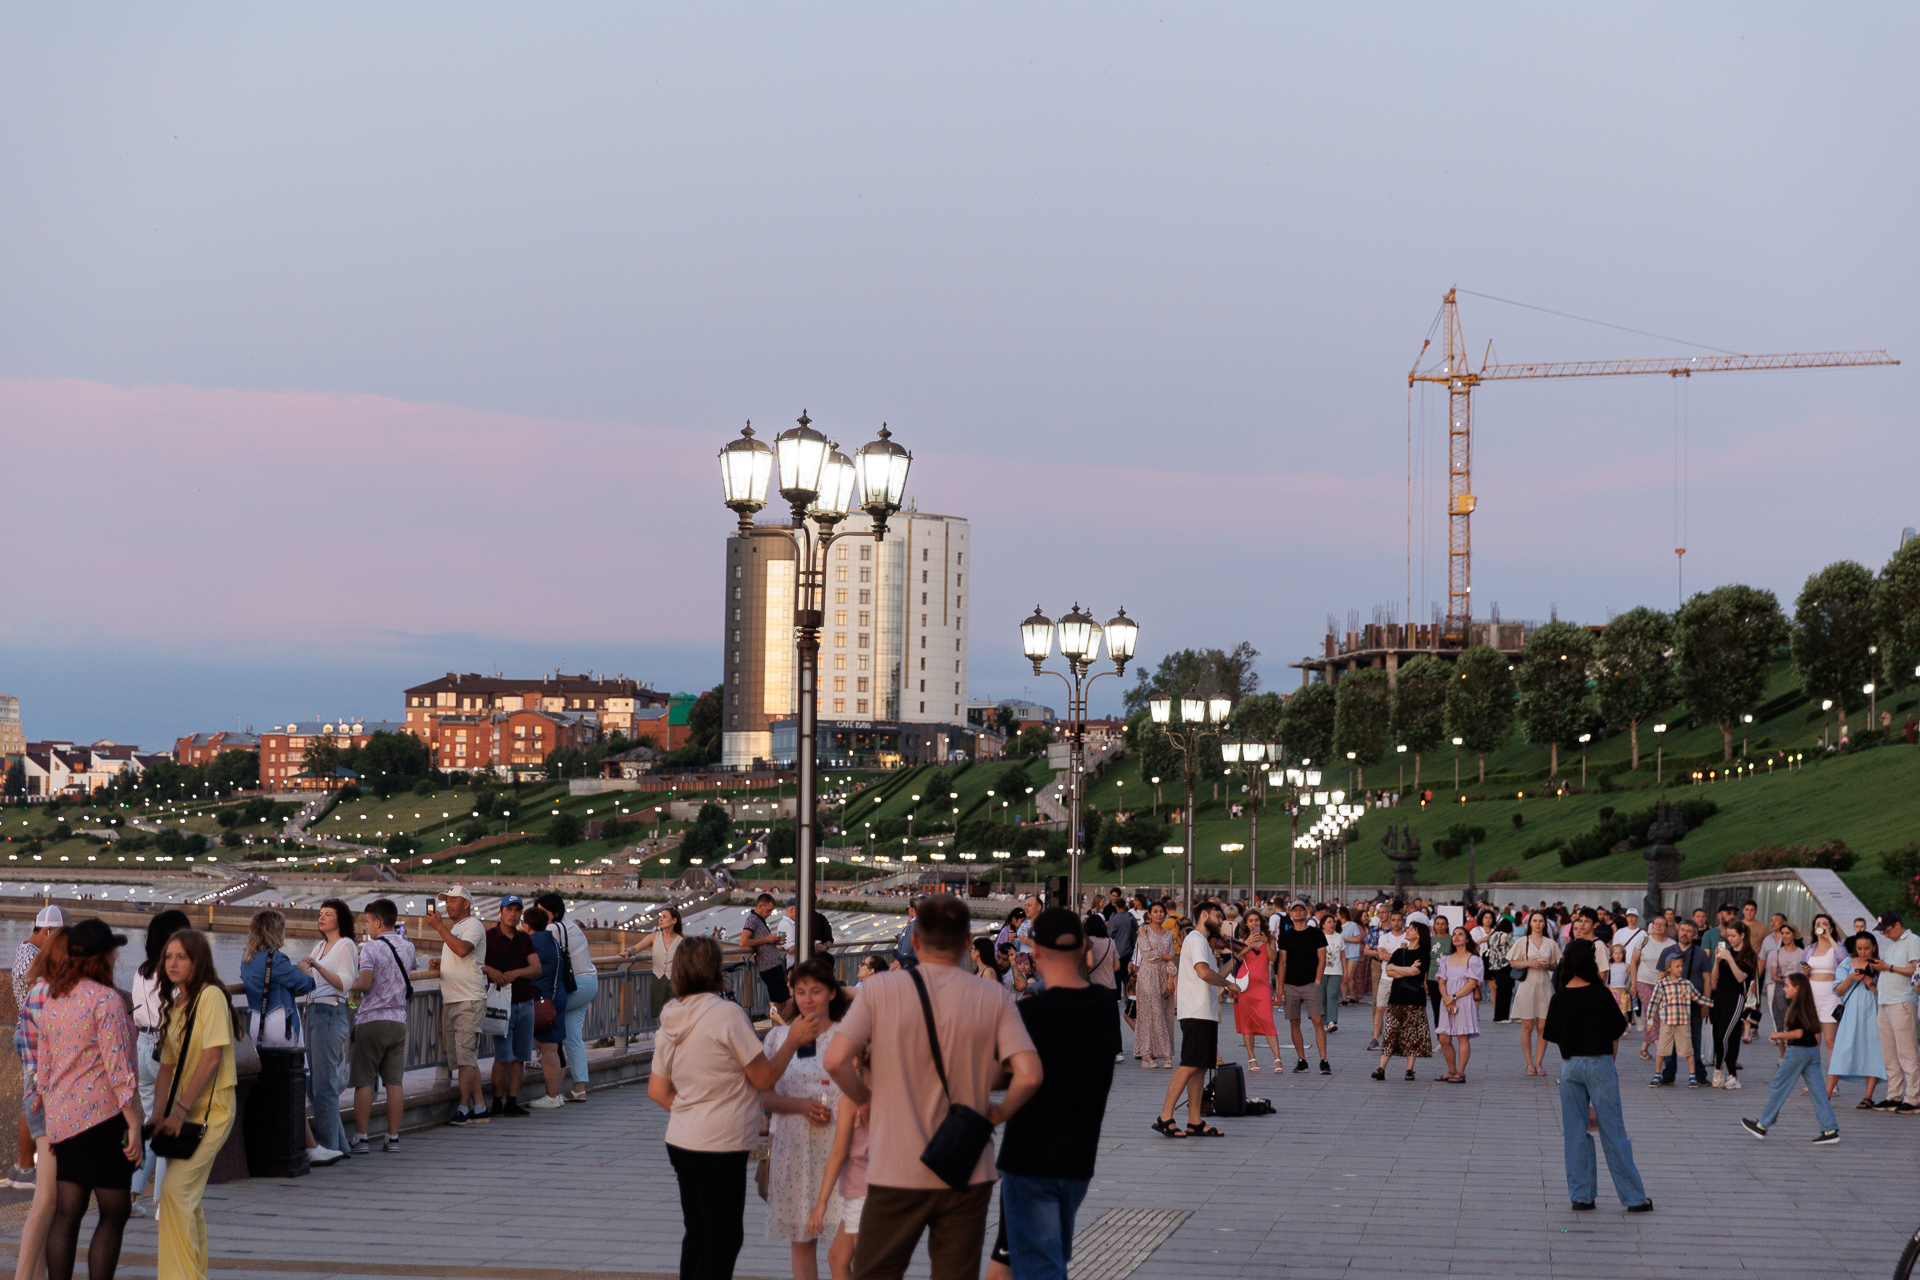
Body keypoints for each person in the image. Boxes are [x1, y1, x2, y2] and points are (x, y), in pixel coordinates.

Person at [824, 894, 1040, 1280]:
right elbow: (1029, 1073)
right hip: (967, 1168)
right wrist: (998, 1111)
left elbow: (836, 1061)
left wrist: (865, 1099)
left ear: (916, 942)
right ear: (964, 944)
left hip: (894, 1168)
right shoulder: (993, 995)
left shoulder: (879, 991)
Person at [650, 936, 827, 1280]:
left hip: (682, 1139)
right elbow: (763, 1077)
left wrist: (691, 1111)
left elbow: (657, 1090)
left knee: (698, 1232)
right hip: (721, 1143)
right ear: (714, 968)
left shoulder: (671, 1015)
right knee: (724, 1238)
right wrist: (792, 1039)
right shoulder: (727, 1014)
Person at [987, 908, 1120, 1280]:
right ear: (1082, 948)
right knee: (1045, 1261)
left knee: (1040, 1270)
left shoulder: (1031, 1014)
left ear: (1036, 952)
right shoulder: (1104, 1008)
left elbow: (1009, 1075)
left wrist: (998, 1111)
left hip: (1031, 1159)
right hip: (1078, 1160)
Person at [32, 919, 141, 1280]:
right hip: (102, 1120)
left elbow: (43, 1067)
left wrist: (50, 1114)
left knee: (67, 1213)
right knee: (114, 1212)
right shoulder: (106, 1001)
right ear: (105, 956)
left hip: (63, 1119)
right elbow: (118, 1068)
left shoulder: (54, 1000)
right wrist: (134, 1122)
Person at [153, 928, 239, 1280]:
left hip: (211, 1112)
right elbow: (166, 1069)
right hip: (184, 1115)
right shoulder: (177, 1004)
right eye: (168, 957)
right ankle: (193, 1272)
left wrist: (178, 1111)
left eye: (181, 957)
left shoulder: (212, 997)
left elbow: (212, 1057)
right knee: (188, 1198)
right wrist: (157, 1116)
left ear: (197, 960)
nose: (172, 963)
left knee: (174, 1192)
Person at [1542, 939, 1652, 1213]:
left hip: (1569, 1067)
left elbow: (1555, 1038)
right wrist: (1606, 1067)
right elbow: (1616, 1033)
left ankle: (1581, 1195)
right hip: (1600, 1063)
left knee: (1575, 1132)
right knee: (1613, 1131)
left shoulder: (1559, 997)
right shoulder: (1601, 994)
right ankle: (1634, 1198)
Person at [762, 958, 849, 1280]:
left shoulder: (848, 1036)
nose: (808, 998)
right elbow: (763, 1095)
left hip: (841, 1146)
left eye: (816, 990)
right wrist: (799, 1105)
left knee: (845, 1243)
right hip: (794, 1145)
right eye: (801, 991)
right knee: (801, 1240)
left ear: (831, 992)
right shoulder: (777, 1039)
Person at [240, 909, 339, 1164]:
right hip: (279, 1023)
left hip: (256, 1025)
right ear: (275, 932)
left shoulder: (247, 959)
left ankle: (289, 1142)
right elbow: (306, 985)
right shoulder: (277, 959)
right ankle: (309, 1147)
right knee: (292, 1083)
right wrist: (304, 970)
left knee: (270, 1082)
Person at [1152, 899, 1235, 1138]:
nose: (1221, 921)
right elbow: (1203, 972)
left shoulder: (1204, 943)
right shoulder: (1196, 940)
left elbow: (1215, 973)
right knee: (1189, 1064)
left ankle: (1194, 1120)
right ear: (1205, 915)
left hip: (1205, 1011)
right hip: (1196, 1011)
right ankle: (1165, 1116)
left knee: (1199, 1066)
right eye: (1218, 917)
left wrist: (1239, 957)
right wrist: (1229, 984)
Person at [128, 908, 189, 1214]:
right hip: (165, 1048)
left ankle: (132, 1193)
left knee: (152, 1121)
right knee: (168, 1127)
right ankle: (164, 1201)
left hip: (141, 1044)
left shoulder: (141, 970)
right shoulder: (175, 974)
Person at [349, 898, 415, 1152]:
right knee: (394, 1082)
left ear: (377, 921)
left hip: (372, 1019)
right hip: (398, 1021)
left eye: (368, 922)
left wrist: (350, 984)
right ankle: (393, 1137)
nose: (367, 928)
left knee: (364, 1080)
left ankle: (362, 1138)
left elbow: (364, 983)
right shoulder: (408, 947)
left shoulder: (370, 948)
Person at [1741, 973, 1840, 1144]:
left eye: (1787, 986)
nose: (1784, 988)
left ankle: (1762, 1125)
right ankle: (1829, 1129)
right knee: (1818, 1092)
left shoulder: (1796, 1007)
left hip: (1798, 1050)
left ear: (1798, 988)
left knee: (1779, 1086)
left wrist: (1777, 1034)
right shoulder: (1809, 1005)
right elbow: (1815, 1031)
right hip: (1811, 1052)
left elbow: (1798, 1033)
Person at [10, 904, 69, 1190]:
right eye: (59, 938)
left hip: (32, 1031)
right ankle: (24, 1167)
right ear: (47, 932)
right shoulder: (31, 958)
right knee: (31, 1101)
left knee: (32, 1098)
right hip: (33, 1034)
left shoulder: (27, 953)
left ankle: (23, 1167)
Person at [422, 888, 486, 1125]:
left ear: (466, 903)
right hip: (453, 999)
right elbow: (460, 956)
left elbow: (462, 949)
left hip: (469, 999)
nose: (447, 905)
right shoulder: (457, 928)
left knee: (465, 1057)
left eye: (452, 900)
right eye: (445, 901)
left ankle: (463, 1108)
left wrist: (439, 928)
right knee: (465, 1056)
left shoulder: (473, 925)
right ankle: (479, 1107)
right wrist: (442, 963)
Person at [810, 1048, 871, 1280]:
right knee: (838, 1258)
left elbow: (838, 1153)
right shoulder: (887, 1095)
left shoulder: (851, 1101)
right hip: (871, 1191)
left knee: (864, 1264)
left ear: (854, 1061)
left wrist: (821, 1202)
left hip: (860, 1193)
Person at [537, 893, 599, 1104]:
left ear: (553, 913)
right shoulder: (570, 925)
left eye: (542, 911)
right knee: (572, 1036)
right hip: (588, 983)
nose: (538, 915)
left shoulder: (553, 928)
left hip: (575, 985)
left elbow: (536, 950)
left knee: (542, 1019)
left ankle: (543, 1064)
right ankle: (579, 1087)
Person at [483, 894, 540, 1119]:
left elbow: (536, 968)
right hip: (500, 1004)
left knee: (520, 1055)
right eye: (509, 910)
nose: (513, 914)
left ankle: (512, 1101)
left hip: (525, 1002)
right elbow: (477, 963)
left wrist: (516, 973)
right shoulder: (488, 937)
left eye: (517, 911)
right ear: (500, 912)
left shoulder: (524, 939)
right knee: (503, 1056)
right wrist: (491, 971)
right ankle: (497, 1101)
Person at [1868, 911, 1919, 1113]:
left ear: (1898, 924)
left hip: (1902, 1002)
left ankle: (1914, 1098)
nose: (1886, 935)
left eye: (1887, 931)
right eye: (1883, 932)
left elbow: (1916, 970)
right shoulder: (1893, 944)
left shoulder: (1913, 941)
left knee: (1906, 1052)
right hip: (1886, 1001)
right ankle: (1893, 1095)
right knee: (1890, 1053)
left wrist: (1887, 967)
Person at [1826, 933, 1884, 1108]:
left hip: (1873, 1011)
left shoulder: (1880, 965)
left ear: (1874, 947)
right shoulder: (1846, 964)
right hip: (1851, 1013)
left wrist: (1870, 983)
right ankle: (1826, 1092)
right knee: (1841, 1050)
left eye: (1867, 948)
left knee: (1873, 1050)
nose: (1863, 951)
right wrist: (1850, 978)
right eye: (1860, 948)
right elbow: (1838, 991)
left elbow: (1885, 994)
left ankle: (1868, 1096)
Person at [1372, 920, 1433, 1082]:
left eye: (1411, 929)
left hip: (1415, 999)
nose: (1407, 930)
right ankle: (1381, 1068)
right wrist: (1406, 970)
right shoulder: (1399, 952)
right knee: (1391, 1031)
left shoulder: (1424, 953)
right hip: (1396, 997)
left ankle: (1409, 1069)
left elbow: (1416, 971)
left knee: (1412, 1034)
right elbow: (1388, 970)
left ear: (1418, 934)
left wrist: (1400, 970)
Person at [1275, 901, 1330, 1075]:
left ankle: (1323, 1059)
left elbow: (1322, 958)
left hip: (1310, 983)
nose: (1298, 912)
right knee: (1294, 1021)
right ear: (1290, 914)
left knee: (1317, 1020)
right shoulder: (1285, 936)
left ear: (1306, 913)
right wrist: (1280, 987)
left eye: (1301, 910)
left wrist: (1318, 981)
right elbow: (1282, 962)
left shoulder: (1316, 934)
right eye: (1295, 910)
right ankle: (1301, 1059)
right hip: (1291, 984)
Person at [523, 905, 569, 1110]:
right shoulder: (551, 940)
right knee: (555, 1046)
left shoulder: (532, 943)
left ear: (526, 925)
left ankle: (552, 1095)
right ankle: (557, 1095)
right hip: (556, 997)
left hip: (542, 999)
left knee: (547, 1048)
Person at [1657, 922, 1712, 1086]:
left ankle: (1699, 1074)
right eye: (1682, 930)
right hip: (1671, 1004)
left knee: (1694, 1038)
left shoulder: (1701, 954)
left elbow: (1707, 980)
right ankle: (1668, 1073)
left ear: (1695, 935)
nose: (1685, 933)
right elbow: (1660, 977)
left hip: (1693, 1004)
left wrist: (1705, 1005)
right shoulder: (1667, 952)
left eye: (1689, 931)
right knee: (1670, 1038)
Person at [1510, 912, 1562, 1075]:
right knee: (1527, 1026)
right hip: (1527, 985)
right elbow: (1513, 962)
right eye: (1535, 921)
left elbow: (1555, 965)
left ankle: (1539, 1063)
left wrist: (1548, 965)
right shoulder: (1522, 941)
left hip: (1544, 986)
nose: (1538, 924)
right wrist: (1529, 963)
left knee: (1543, 1026)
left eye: (1541, 921)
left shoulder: (1550, 943)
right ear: (1530, 923)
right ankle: (1528, 1063)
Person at [1130, 902, 1177, 1069]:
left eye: (1161, 911)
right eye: (1155, 911)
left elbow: (1172, 958)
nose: (1158, 914)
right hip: (1147, 975)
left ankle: (1151, 1055)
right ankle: (1160, 1053)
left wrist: (1171, 978)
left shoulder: (1169, 934)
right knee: (1151, 1013)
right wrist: (1166, 956)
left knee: (1164, 1014)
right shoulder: (1143, 930)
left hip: (1164, 976)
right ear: (1149, 914)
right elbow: (1148, 954)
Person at [1708, 923, 1755, 1089]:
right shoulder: (1726, 951)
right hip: (1720, 995)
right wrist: (1717, 961)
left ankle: (1718, 1070)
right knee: (1722, 1035)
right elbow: (1715, 978)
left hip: (1736, 997)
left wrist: (1729, 958)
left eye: (1733, 935)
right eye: (1728, 936)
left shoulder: (1748, 954)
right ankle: (1732, 1075)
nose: (1730, 939)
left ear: (1742, 935)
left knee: (1723, 1035)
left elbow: (1741, 978)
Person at [619, 904, 685, 1019]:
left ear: (674, 920)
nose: (661, 919)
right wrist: (627, 952)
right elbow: (636, 948)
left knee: (676, 1016)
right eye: (660, 916)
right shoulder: (653, 937)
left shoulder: (682, 941)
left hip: (677, 982)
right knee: (660, 1016)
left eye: (664, 917)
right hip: (658, 982)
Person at [1233, 912, 1281, 1070]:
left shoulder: (1269, 939)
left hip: (1262, 986)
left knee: (1268, 1021)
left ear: (1261, 922)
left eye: (1256, 920)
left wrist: (1266, 943)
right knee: (1247, 1023)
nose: (1254, 923)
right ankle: (1251, 1058)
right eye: (1250, 921)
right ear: (1246, 924)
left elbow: (1274, 959)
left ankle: (1277, 1059)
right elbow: (1237, 958)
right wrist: (1247, 944)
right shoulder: (1241, 941)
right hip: (1245, 986)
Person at [1435, 927, 1482, 1083]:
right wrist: (1447, 998)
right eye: (1454, 934)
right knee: (1444, 1038)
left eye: (1460, 934)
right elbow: (1441, 981)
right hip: (1447, 1000)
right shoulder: (1446, 959)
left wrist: (1454, 996)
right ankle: (1451, 1070)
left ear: (1467, 939)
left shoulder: (1473, 959)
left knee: (1462, 1036)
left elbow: (1472, 983)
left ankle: (1460, 1072)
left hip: (1463, 999)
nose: (1456, 937)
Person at [1629, 916, 1671, 1058]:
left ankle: (1644, 1048)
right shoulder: (1644, 940)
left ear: (1666, 927)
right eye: (1656, 924)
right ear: (1652, 926)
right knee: (1651, 1013)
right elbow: (1633, 962)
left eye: (1662, 924)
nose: (1658, 926)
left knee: (1656, 1014)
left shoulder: (1671, 944)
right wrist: (1633, 983)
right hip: (1643, 981)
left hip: (1663, 984)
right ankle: (1660, 1046)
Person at [1804, 913, 1845, 1055]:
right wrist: (1804, 972)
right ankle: (1813, 1075)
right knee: (1813, 1040)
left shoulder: (1836, 947)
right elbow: (1802, 971)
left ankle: (1832, 1076)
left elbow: (1843, 958)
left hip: (1830, 996)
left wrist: (1828, 938)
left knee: (1830, 1041)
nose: (1820, 926)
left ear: (1831, 928)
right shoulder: (1810, 949)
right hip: (1812, 995)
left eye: (1825, 924)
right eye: (1818, 924)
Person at [1367, 911, 1407, 1051]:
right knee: (1380, 1008)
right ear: (1390, 922)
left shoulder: (1408, 938)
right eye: (1394, 920)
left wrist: (1392, 957)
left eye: (1399, 920)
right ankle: (1375, 1038)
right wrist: (1398, 957)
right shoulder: (1384, 937)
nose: (1396, 922)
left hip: (1402, 978)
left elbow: (1407, 958)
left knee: (1400, 1009)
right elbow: (1381, 954)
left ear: (1403, 921)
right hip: (1386, 977)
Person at [744, 893, 793, 1005]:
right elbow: (743, 941)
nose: (770, 914)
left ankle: (779, 1022)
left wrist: (772, 941)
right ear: (760, 906)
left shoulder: (759, 920)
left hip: (773, 966)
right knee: (788, 1002)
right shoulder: (753, 919)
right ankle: (781, 1022)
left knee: (779, 1003)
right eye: (768, 910)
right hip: (769, 968)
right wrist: (766, 939)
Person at [1483, 917, 1514, 1024]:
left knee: (1499, 991)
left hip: (1494, 965)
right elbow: (1513, 949)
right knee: (1507, 992)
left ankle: (1498, 1015)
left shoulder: (1493, 935)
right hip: (1506, 964)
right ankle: (1503, 1016)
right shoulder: (1507, 936)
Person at [1320, 914, 1344, 1034]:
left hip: (1335, 970)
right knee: (1322, 996)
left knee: (1332, 994)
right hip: (1321, 971)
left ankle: (1332, 1021)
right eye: (1329, 922)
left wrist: (1345, 971)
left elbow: (1343, 955)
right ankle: (1323, 1021)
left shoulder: (1339, 937)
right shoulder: (1319, 937)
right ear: (1323, 924)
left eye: (1333, 922)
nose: (1332, 924)